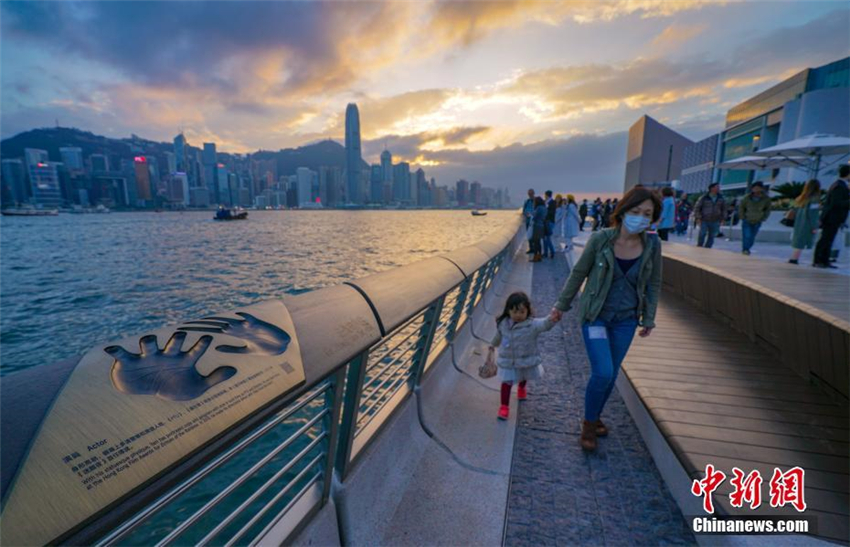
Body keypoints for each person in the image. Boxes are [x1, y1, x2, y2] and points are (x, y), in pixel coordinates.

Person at [550, 187, 662, 451]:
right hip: (596, 315)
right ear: (623, 212)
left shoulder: (652, 245)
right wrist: (561, 306)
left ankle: (595, 415)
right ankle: (589, 425)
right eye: (636, 211)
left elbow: (654, 283)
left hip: (626, 319)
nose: (641, 218)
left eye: (647, 214)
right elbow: (578, 273)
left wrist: (649, 317)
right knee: (602, 372)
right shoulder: (601, 240)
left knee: (610, 375)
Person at [489, 292, 557, 420]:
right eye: (514, 312)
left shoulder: (532, 325)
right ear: (508, 311)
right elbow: (499, 335)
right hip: (508, 359)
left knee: (524, 374)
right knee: (506, 382)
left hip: (525, 357)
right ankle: (504, 407)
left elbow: (544, 324)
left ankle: (521, 387)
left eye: (522, 312)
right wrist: (493, 344)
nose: (518, 315)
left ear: (527, 311)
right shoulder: (503, 323)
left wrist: (551, 319)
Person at [813, 164, 850, 268]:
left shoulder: (840, 185)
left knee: (828, 239)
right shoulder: (839, 186)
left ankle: (824, 260)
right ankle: (819, 260)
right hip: (832, 217)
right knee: (826, 239)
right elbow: (836, 203)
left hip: (833, 217)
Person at [789, 179, 821, 265]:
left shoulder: (801, 198)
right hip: (807, 224)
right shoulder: (814, 200)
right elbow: (813, 215)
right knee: (801, 242)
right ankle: (794, 259)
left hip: (799, 222)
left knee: (798, 241)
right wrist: (814, 226)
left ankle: (793, 258)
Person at [738, 181, 771, 255]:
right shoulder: (747, 197)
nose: (756, 190)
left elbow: (767, 209)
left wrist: (764, 218)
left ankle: (747, 248)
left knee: (752, 236)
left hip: (758, 220)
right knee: (747, 235)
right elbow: (741, 207)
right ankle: (745, 249)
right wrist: (742, 216)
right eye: (755, 188)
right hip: (747, 219)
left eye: (758, 188)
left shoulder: (766, 199)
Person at [694, 183, 726, 248]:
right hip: (704, 219)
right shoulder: (704, 197)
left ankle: (708, 248)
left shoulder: (721, 198)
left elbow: (724, 209)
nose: (719, 188)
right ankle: (699, 246)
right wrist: (698, 217)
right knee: (702, 234)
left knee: (712, 236)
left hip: (715, 219)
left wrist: (723, 218)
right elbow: (697, 208)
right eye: (717, 187)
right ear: (712, 188)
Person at [530, 196, 547, 262]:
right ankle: (539, 256)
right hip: (542, 226)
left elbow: (535, 216)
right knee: (539, 242)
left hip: (537, 226)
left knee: (535, 242)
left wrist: (531, 215)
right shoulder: (544, 208)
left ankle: (535, 257)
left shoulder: (539, 208)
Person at [543, 190, 557, 259]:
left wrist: (546, 211)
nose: (544, 196)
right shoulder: (545, 202)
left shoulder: (553, 202)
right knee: (544, 238)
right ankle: (545, 253)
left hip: (550, 221)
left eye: (545, 195)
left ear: (547, 195)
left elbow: (552, 212)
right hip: (545, 221)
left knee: (547, 237)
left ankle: (552, 251)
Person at [523, 189, 536, 254]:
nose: (530, 195)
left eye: (531, 193)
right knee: (529, 235)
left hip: (534, 221)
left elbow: (538, 210)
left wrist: (532, 214)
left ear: (533, 193)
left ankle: (535, 248)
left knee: (534, 235)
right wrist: (526, 214)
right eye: (529, 194)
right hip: (528, 221)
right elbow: (524, 210)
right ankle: (531, 248)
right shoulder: (527, 201)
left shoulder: (536, 201)